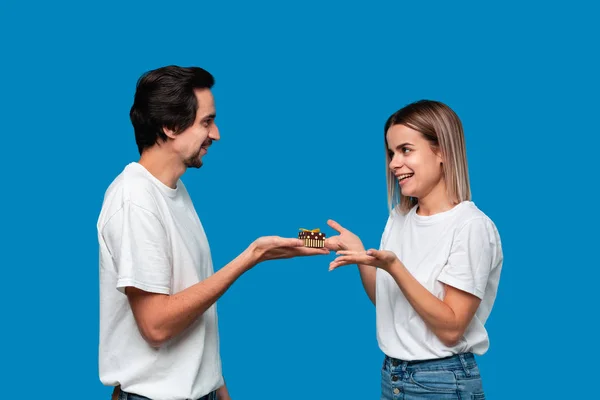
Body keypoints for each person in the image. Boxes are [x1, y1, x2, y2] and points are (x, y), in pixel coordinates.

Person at [97, 65, 329, 400]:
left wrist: (216, 386)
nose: (216, 133)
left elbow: (191, 304)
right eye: (207, 121)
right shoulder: (135, 200)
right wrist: (250, 258)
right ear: (170, 126)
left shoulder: (172, 191)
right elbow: (157, 326)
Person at [325, 100, 503, 399]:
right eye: (391, 152)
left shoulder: (471, 226)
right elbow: (387, 302)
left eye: (406, 150)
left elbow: (450, 329)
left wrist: (395, 267)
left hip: (443, 381)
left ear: (441, 151)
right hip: (394, 374)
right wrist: (361, 256)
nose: (394, 163)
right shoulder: (399, 218)